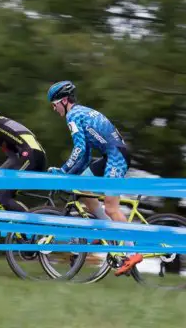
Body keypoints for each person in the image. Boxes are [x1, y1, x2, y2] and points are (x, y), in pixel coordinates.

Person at [45, 80, 140, 276]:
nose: (54, 109)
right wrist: (71, 174)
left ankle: (132, 252)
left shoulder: (73, 115)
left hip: (116, 157)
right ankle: (108, 232)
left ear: (63, 101)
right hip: (109, 156)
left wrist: (63, 171)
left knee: (111, 207)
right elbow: (86, 155)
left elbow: (79, 150)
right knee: (84, 193)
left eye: (54, 104)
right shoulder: (80, 112)